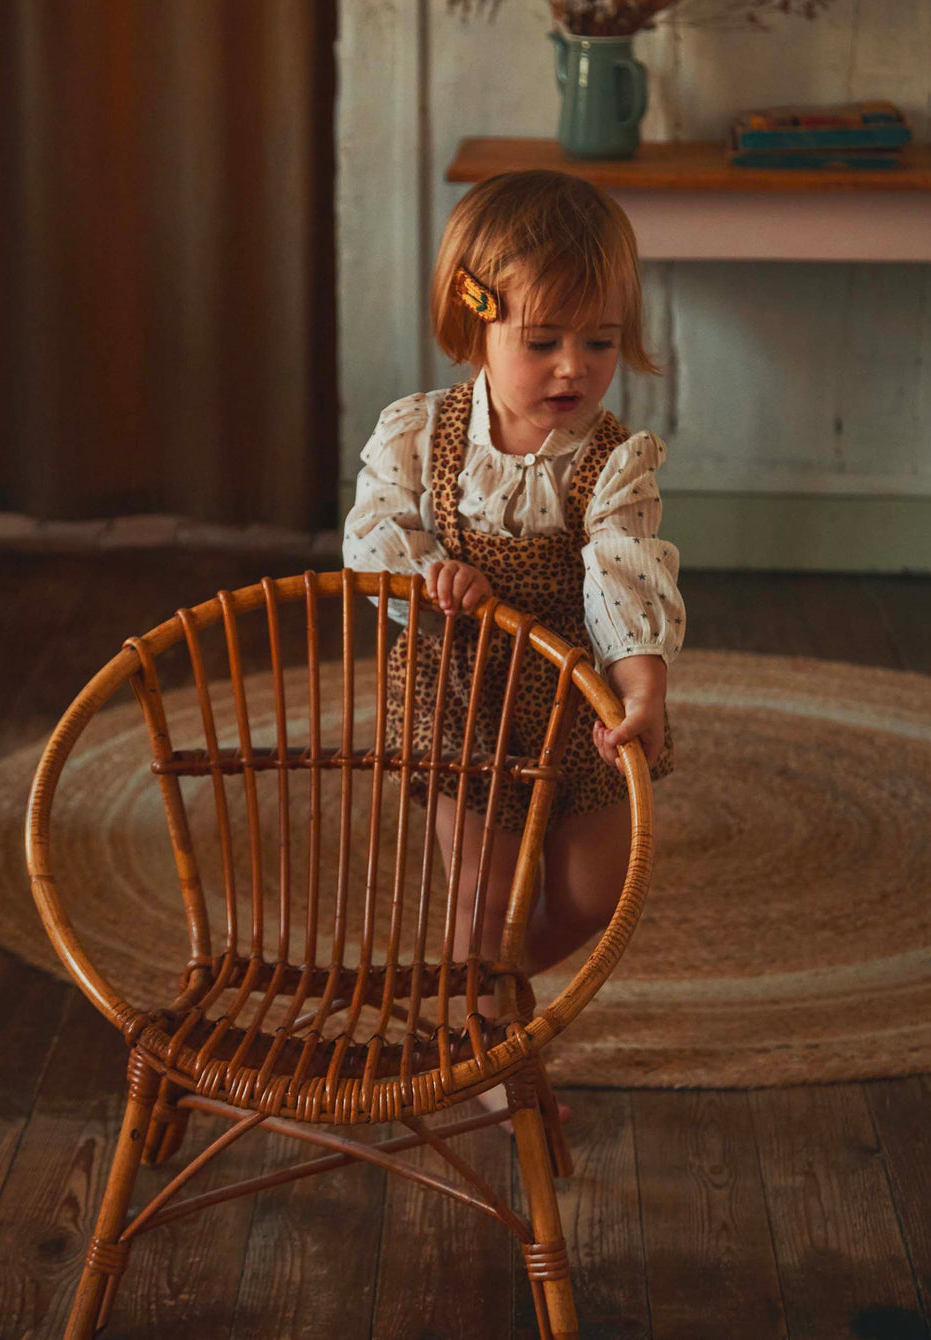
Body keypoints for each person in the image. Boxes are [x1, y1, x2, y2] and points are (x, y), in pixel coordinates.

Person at [343, 168, 684, 1011]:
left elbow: (626, 579)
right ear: (475, 329)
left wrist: (642, 692)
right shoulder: (422, 434)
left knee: (597, 896)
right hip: (468, 686)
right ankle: (486, 1044)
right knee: (484, 898)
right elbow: (371, 535)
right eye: (542, 342)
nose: (573, 367)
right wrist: (430, 575)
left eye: (600, 342)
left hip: (578, 689)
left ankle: (488, 989)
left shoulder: (613, 462)